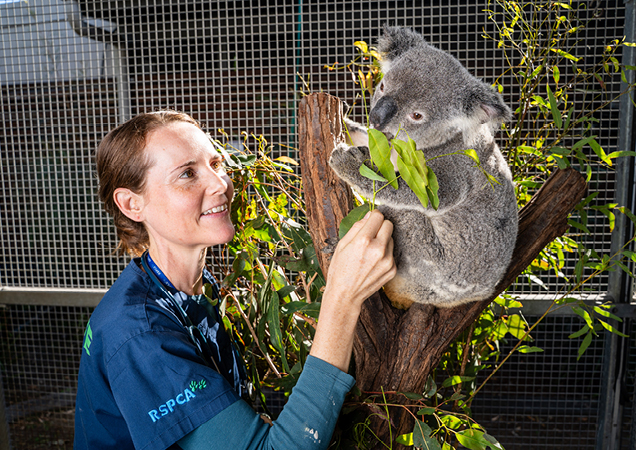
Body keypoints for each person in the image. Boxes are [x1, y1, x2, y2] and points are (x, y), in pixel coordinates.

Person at [73, 110, 396, 450]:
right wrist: (341, 298)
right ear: (132, 204)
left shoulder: (196, 290)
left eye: (215, 164)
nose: (221, 184)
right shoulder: (140, 335)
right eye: (187, 174)